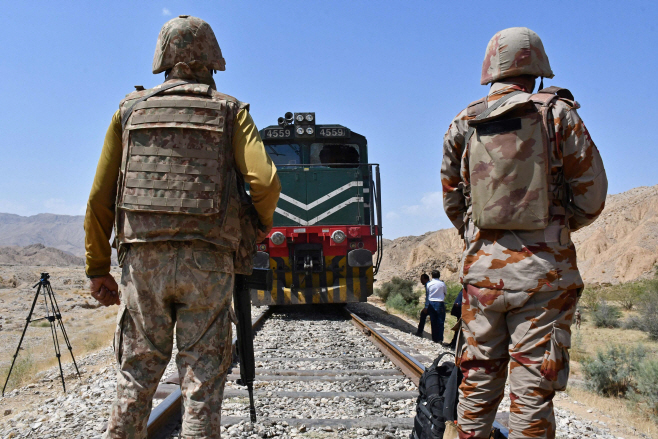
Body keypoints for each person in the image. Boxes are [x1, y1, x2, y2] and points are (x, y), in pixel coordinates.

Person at [84, 15, 281, 438]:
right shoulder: (230, 110)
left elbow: (100, 197)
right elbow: (264, 182)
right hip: (208, 264)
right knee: (202, 386)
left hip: (143, 265)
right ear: (211, 59)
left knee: (135, 379)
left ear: (163, 59)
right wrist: (259, 226)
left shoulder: (129, 111)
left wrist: (97, 267)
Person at [441, 27, 607, 439]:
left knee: (476, 386)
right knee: (531, 395)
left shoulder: (465, 121)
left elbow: (451, 199)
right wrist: (557, 228)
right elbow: (592, 195)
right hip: (544, 278)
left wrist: (479, 239)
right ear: (537, 70)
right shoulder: (558, 115)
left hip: (481, 279)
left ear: (489, 69)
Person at [425, 270, 447, 343]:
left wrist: (426, 306)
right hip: (440, 303)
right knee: (440, 321)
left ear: (432, 276)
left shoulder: (429, 284)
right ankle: (440, 339)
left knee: (433, 321)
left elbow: (428, 294)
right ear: (439, 275)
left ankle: (434, 338)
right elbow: (445, 293)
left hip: (431, 303)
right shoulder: (442, 284)